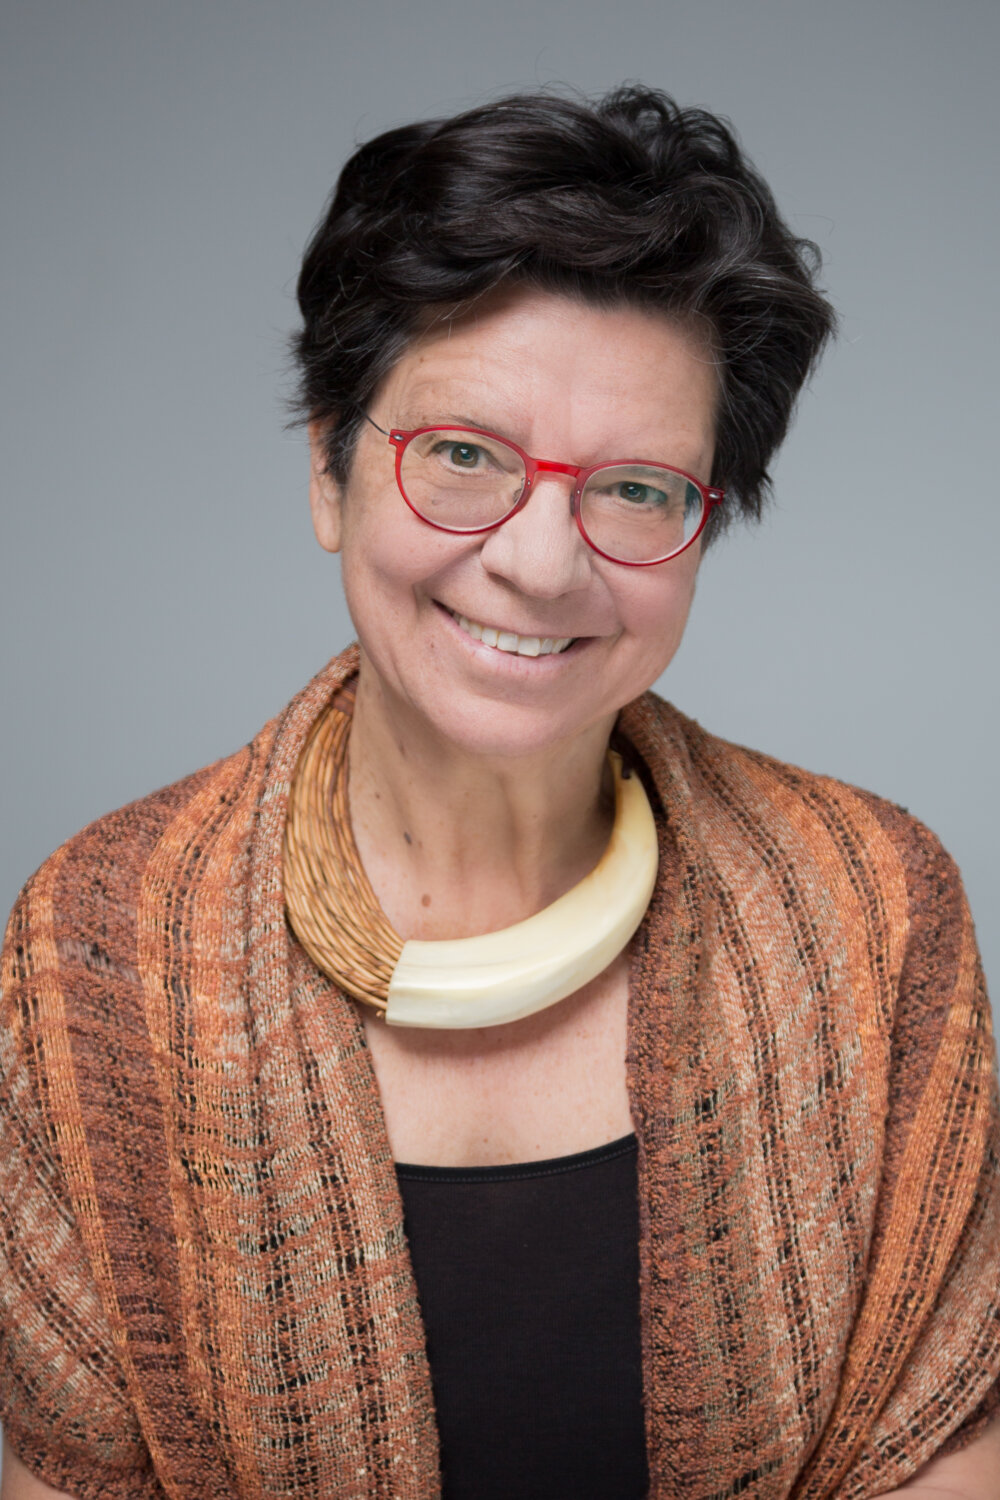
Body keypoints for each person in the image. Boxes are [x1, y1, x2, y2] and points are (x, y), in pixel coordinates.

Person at [1, 86, 998, 1500]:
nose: (541, 563)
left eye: (637, 488)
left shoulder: (874, 916)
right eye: (464, 455)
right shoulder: (94, 952)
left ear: (705, 526)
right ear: (330, 470)